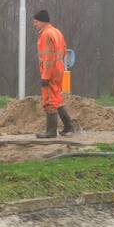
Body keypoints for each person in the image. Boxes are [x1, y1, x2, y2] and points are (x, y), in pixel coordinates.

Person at [33, 9, 74, 138]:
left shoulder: (46, 34)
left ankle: (51, 131)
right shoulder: (56, 32)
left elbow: (49, 58)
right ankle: (68, 127)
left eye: (36, 21)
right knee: (56, 98)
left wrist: (45, 76)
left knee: (49, 99)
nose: (34, 24)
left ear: (42, 21)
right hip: (58, 69)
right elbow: (63, 50)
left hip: (50, 71)